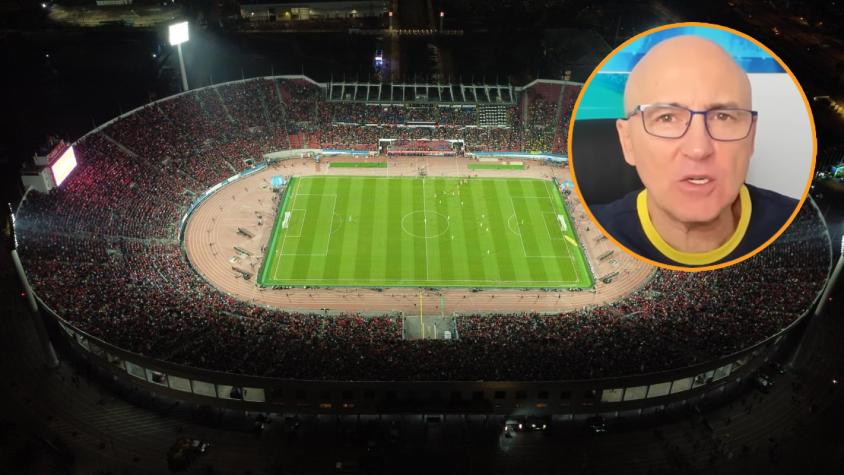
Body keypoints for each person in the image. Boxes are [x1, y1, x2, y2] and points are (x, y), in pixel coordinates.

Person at [590, 35, 797, 267]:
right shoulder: (584, 234)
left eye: (723, 117)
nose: (698, 149)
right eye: (667, 118)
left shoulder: (804, 228)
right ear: (627, 141)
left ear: (751, 137)